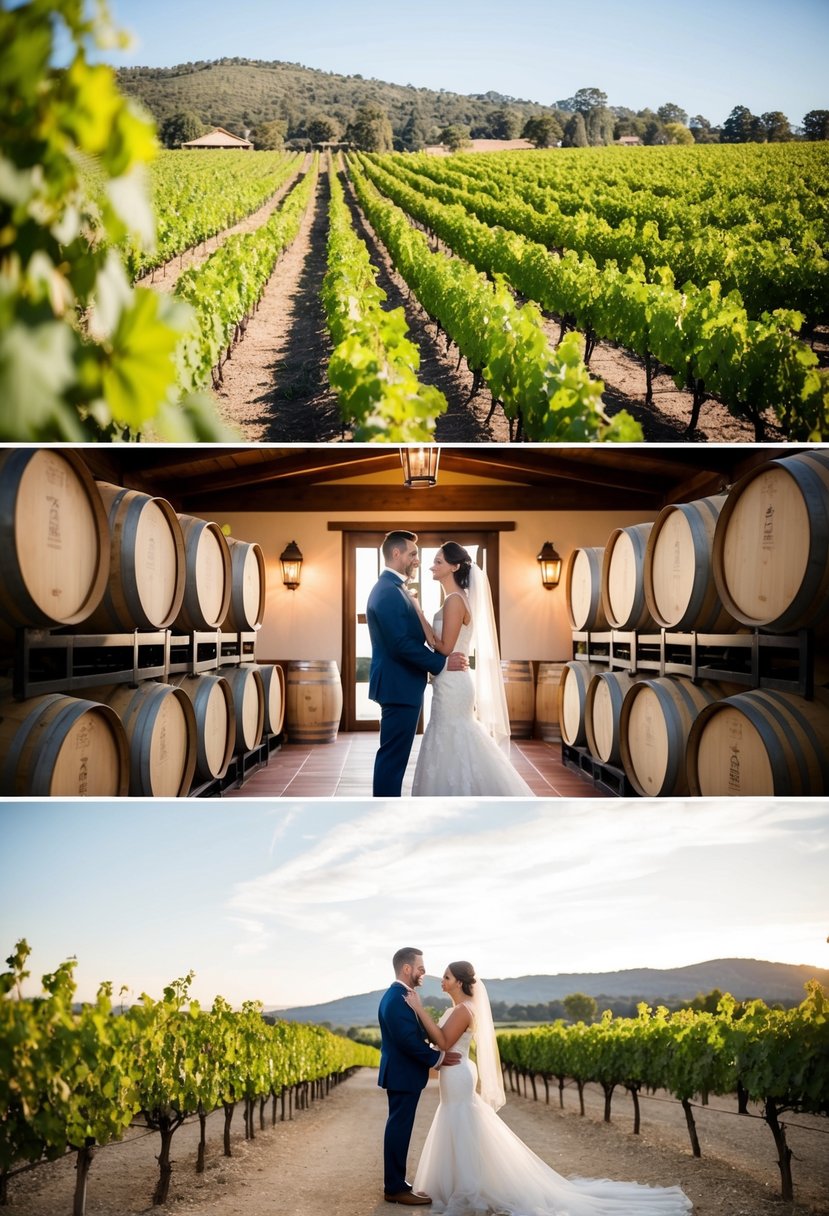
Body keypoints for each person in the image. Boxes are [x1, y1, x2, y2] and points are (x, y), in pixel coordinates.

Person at [405, 962, 693, 1215]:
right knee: (459, 1122)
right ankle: (463, 1184)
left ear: (459, 981)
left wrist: (418, 1009)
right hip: (455, 1072)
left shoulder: (464, 1010)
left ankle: (468, 1189)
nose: (441, 981)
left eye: (446, 977)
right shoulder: (457, 1009)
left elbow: (443, 1042)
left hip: (458, 1074)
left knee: (461, 1121)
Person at [409, 541, 533, 797]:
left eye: (438, 562)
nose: (432, 566)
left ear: (454, 567)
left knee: (455, 735)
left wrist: (418, 610)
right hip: (450, 679)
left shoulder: (455, 601)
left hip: (454, 684)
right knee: (452, 737)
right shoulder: (455, 599)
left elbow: (443, 647)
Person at [367, 531, 467, 797]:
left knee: (394, 757)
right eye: (413, 554)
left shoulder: (395, 589)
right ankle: (385, 810)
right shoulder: (388, 591)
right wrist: (441, 665)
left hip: (402, 685)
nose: (417, 561)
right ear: (396, 554)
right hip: (398, 687)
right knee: (392, 757)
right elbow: (400, 643)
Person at [378, 947, 462, 1206]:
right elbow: (407, 1040)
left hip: (401, 1074)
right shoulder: (397, 998)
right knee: (399, 1128)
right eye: (421, 968)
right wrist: (436, 1058)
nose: (424, 972)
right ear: (407, 968)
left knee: (399, 1126)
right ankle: (394, 1188)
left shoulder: (400, 995)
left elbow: (410, 1037)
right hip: (402, 1074)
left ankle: (397, 1182)